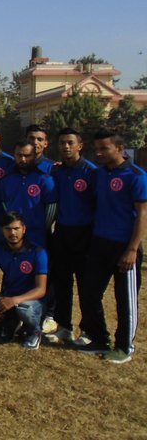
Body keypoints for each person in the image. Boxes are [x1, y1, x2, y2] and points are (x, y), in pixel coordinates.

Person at [77, 129, 147, 363]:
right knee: (89, 292)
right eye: (96, 149)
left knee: (125, 298)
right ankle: (99, 338)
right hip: (99, 243)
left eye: (104, 148)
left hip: (124, 246)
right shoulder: (100, 174)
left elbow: (142, 214)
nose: (99, 153)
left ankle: (124, 347)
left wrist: (132, 249)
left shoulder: (135, 175)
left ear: (119, 148)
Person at [43, 128, 96, 345]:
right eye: (62, 142)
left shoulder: (91, 172)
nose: (66, 146)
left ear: (79, 146)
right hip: (62, 232)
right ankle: (64, 327)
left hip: (85, 234)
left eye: (70, 143)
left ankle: (87, 330)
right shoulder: (57, 171)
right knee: (62, 283)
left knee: (86, 286)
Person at [0, 211, 47, 350]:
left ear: (23, 229)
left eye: (16, 228)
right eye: (8, 229)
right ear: (2, 230)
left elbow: (41, 289)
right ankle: (10, 323)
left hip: (29, 301)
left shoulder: (37, 252)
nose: (12, 233)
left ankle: (34, 331)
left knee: (26, 311)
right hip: (7, 299)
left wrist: (15, 300)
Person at [0, 141, 56, 248]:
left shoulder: (44, 179)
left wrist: (42, 226)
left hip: (36, 234)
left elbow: (52, 206)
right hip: (13, 234)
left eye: (27, 155)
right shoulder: (7, 179)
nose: (23, 159)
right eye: (19, 155)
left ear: (34, 156)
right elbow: (4, 203)